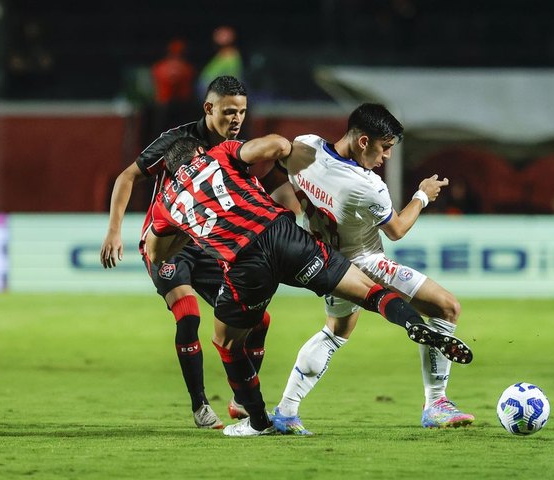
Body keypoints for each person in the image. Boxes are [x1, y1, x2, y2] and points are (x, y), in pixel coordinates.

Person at [145, 135, 473, 437]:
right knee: (367, 290)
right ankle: (411, 321)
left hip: (246, 264)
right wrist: (288, 155)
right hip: (284, 236)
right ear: (198, 153)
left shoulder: (167, 200)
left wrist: (189, 228)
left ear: (173, 170)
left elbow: (156, 252)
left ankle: (259, 421)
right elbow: (274, 145)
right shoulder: (220, 153)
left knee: (227, 342)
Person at [267, 103, 474, 434]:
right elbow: (396, 230)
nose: (387, 157)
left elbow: (280, 176)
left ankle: (286, 411)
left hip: (329, 264)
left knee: (334, 333)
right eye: (385, 148)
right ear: (364, 141)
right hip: (365, 261)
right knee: (447, 307)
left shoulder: (305, 146)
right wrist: (423, 195)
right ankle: (436, 403)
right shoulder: (367, 185)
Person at [99, 76, 264, 429]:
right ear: (209, 108)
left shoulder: (238, 151)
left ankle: (241, 400)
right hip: (166, 243)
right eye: (229, 111)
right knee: (188, 314)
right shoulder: (177, 141)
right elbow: (127, 177)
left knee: (259, 320)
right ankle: (201, 406)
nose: (237, 119)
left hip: (205, 245)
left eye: (242, 112)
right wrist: (114, 230)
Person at [150, 39, 196, 139]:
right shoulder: (187, 68)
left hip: (163, 105)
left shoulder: (159, 67)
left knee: (161, 134)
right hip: (181, 105)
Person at [197, 26, 243, 97]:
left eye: (221, 35)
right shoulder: (221, 54)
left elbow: (233, 77)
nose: (216, 36)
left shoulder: (231, 56)